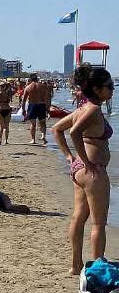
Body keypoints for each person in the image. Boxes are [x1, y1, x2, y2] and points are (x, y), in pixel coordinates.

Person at [52, 64, 114, 275]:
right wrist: (86, 161)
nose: (112, 90)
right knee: (99, 224)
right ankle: (97, 270)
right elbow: (74, 133)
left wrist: (71, 158)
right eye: (109, 86)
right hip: (93, 169)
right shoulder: (93, 109)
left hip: (80, 169)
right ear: (97, 89)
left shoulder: (81, 109)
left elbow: (56, 128)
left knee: (78, 217)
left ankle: (76, 265)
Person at [20, 73, 51, 144]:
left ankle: (33, 140)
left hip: (32, 105)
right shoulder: (43, 86)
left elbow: (24, 100)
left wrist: (23, 109)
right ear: (37, 78)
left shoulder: (28, 87)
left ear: (30, 79)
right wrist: (48, 108)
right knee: (43, 122)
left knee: (32, 124)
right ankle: (43, 136)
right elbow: (47, 98)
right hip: (41, 105)